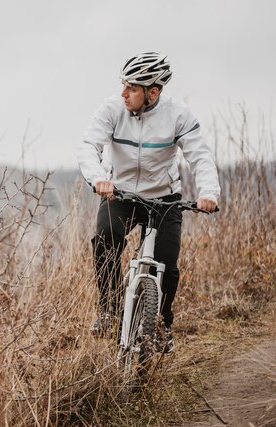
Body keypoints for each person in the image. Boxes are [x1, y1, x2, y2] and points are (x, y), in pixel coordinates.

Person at [76, 51, 220, 353]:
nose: (123, 93)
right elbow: (89, 146)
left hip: (163, 198)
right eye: (123, 85)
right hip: (121, 193)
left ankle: (162, 324)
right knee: (105, 237)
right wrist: (99, 178)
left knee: (167, 263)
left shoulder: (178, 114)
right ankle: (110, 309)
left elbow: (200, 156)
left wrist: (209, 193)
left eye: (132, 88)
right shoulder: (112, 109)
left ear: (152, 92)